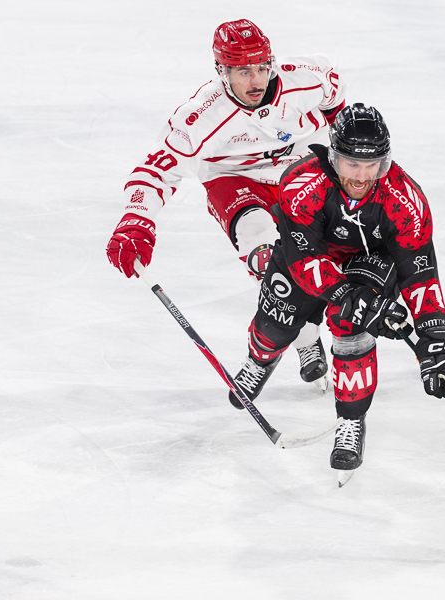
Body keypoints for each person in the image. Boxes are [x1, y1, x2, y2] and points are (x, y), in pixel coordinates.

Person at [105, 19, 346, 393]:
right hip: (234, 179)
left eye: (262, 67)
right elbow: (155, 170)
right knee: (263, 248)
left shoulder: (306, 77)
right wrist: (136, 221)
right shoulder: (200, 117)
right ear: (222, 70)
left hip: (299, 171)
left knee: (328, 253)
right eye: (242, 70)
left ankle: (312, 330)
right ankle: (304, 338)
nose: (255, 81)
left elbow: (334, 94)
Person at [230, 102, 445, 473]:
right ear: (333, 156)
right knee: (275, 323)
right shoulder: (300, 183)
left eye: (372, 164)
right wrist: (343, 296)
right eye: (352, 163)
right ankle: (260, 360)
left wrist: (435, 337)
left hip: (369, 261)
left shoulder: (406, 201)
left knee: (350, 328)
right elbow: (304, 257)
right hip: (309, 259)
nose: (361, 175)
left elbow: (420, 273)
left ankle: (351, 420)